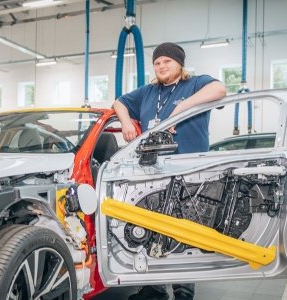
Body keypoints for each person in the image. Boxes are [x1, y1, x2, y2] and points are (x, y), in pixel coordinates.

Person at [114, 42, 227, 300]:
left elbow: (220, 89)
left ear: (179, 64)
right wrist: (125, 123)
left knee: (184, 234)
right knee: (151, 230)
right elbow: (119, 102)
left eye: (167, 61)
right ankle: (154, 286)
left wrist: (179, 110)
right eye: (157, 62)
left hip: (189, 174)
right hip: (152, 174)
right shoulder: (147, 91)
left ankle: (184, 290)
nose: (162, 66)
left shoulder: (195, 83)